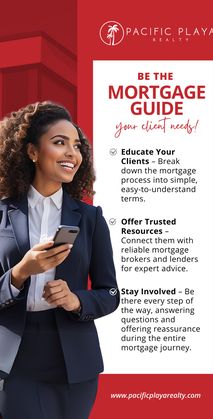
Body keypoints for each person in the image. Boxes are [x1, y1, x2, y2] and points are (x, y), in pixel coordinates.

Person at [0, 101, 119, 419]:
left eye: (77, 146)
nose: (72, 153)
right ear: (32, 152)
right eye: (59, 142)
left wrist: (75, 300)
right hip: (15, 358)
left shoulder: (90, 219)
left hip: (75, 361)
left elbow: (110, 294)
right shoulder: (0, 214)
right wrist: (21, 272)